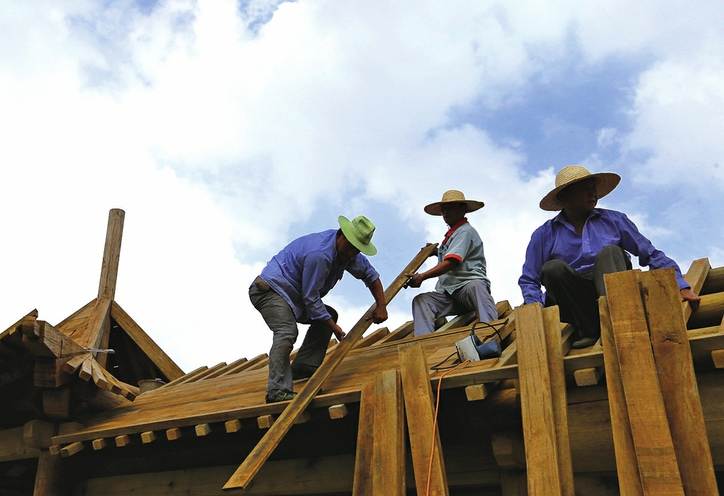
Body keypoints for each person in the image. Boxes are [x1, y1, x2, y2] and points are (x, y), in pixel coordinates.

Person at [520, 165, 699, 348]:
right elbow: (529, 280)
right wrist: (537, 312)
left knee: (610, 253)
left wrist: (680, 284)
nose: (593, 195)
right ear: (565, 196)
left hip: (616, 292)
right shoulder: (544, 234)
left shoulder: (614, 220)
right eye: (585, 191)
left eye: (594, 190)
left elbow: (650, 253)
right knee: (552, 269)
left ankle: (617, 322)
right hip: (575, 303)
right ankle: (588, 331)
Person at [250, 215, 388, 403]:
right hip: (271, 290)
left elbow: (370, 275)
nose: (351, 253)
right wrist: (335, 328)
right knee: (286, 331)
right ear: (340, 235)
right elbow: (311, 298)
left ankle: (304, 366)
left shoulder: (349, 252)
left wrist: (381, 306)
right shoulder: (320, 254)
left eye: (357, 249)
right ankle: (277, 390)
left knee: (328, 315)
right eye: (350, 247)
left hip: (296, 298)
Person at [407, 190, 498, 336]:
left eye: (450, 208)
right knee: (422, 300)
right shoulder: (451, 236)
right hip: (449, 292)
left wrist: (422, 276)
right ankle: (423, 343)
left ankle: (491, 333)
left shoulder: (465, 231)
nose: (445, 212)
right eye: (443, 209)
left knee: (477, 286)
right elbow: (452, 253)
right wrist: (437, 252)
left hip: (467, 290)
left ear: (463, 209)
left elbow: (452, 262)